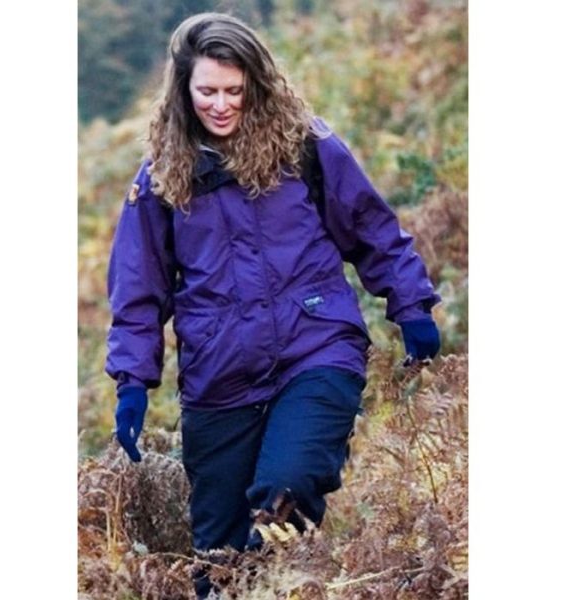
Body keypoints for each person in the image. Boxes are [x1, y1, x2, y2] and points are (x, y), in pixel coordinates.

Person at [105, 12, 441, 598]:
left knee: (287, 489)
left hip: (316, 345)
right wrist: (132, 381)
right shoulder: (162, 177)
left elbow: (370, 226)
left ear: (256, 84)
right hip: (219, 375)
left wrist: (410, 304)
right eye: (207, 91)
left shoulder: (305, 146)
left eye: (234, 91)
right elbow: (138, 287)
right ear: (183, 90)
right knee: (219, 557)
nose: (221, 105)